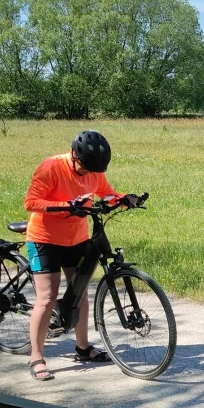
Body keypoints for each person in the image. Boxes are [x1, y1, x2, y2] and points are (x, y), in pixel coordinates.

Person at [22, 130, 140, 380]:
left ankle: (83, 346)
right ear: (74, 155)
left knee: (80, 291)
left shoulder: (94, 171)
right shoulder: (51, 167)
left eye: (93, 170)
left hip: (76, 238)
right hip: (45, 239)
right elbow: (31, 202)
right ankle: (36, 357)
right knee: (47, 297)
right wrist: (67, 206)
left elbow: (106, 193)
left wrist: (123, 199)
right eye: (85, 168)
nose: (89, 174)